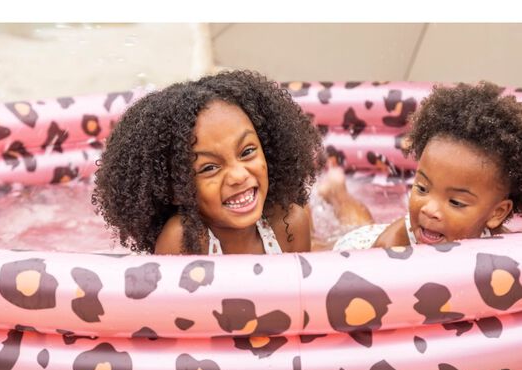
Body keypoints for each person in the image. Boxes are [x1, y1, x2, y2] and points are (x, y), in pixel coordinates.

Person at [92, 70, 325, 255]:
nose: (238, 175)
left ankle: (337, 195)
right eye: (209, 167)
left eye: (247, 151)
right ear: (176, 190)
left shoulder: (289, 224)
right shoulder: (183, 241)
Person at [333, 81, 522, 251]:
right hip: (362, 246)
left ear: (497, 213)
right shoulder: (389, 248)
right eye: (422, 188)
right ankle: (337, 193)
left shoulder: (502, 245)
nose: (429, 209)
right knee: (350, 228)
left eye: (455, 202)